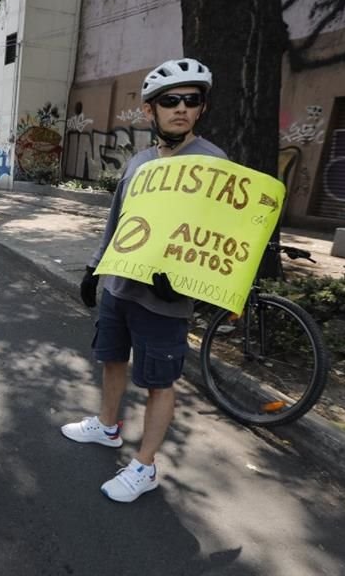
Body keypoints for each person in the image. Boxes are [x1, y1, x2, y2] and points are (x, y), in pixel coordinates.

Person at [61, 58, 227, 503]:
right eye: (170, 100)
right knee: (111, 359)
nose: (181, 108)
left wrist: (192, 284)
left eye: (191, 100)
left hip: (165, 301)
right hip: (120, 287)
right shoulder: (139, 162)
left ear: (201, 109)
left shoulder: (214, 165)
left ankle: (145, 466)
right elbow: (118, 222)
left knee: (159, 382)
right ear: (150, 110)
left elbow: (223, 236)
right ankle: (108, 426)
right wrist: (95, 269)